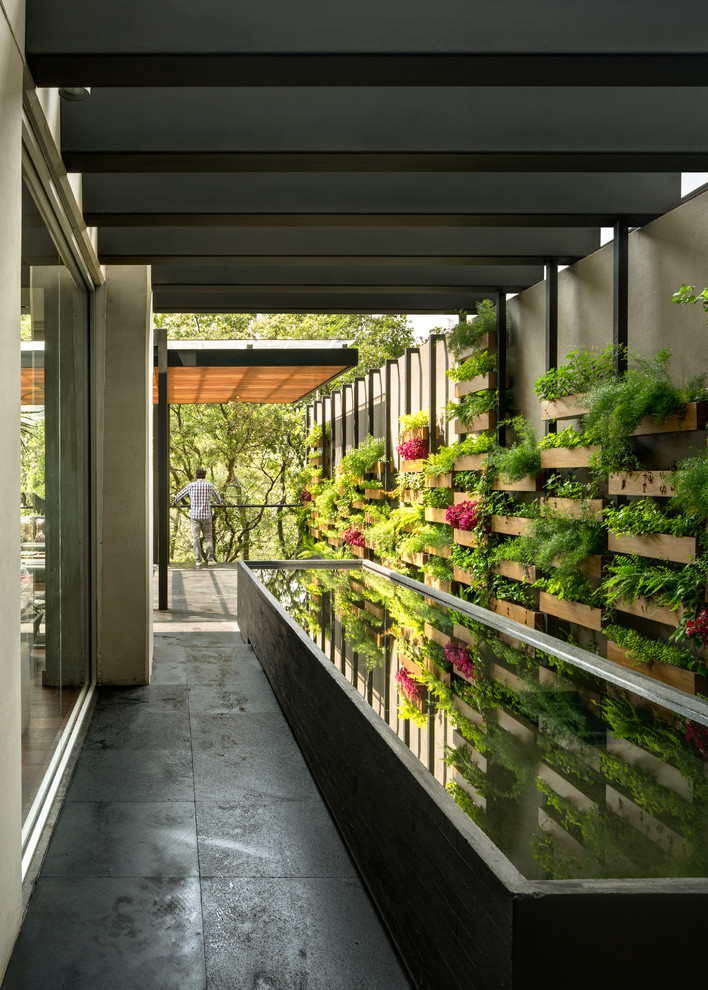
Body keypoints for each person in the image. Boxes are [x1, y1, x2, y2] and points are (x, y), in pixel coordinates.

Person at [172, 467, 225, 567]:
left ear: (196, 475)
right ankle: (210, 560)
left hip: (195, 516)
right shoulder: (209, 485)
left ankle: (198, 561)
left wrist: (176, 503)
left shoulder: (191, 486)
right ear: (205, 475)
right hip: (206, 516)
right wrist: (220, 503)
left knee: (196, 538)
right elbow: (218, 500)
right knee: (208, 537)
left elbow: (178, 496)